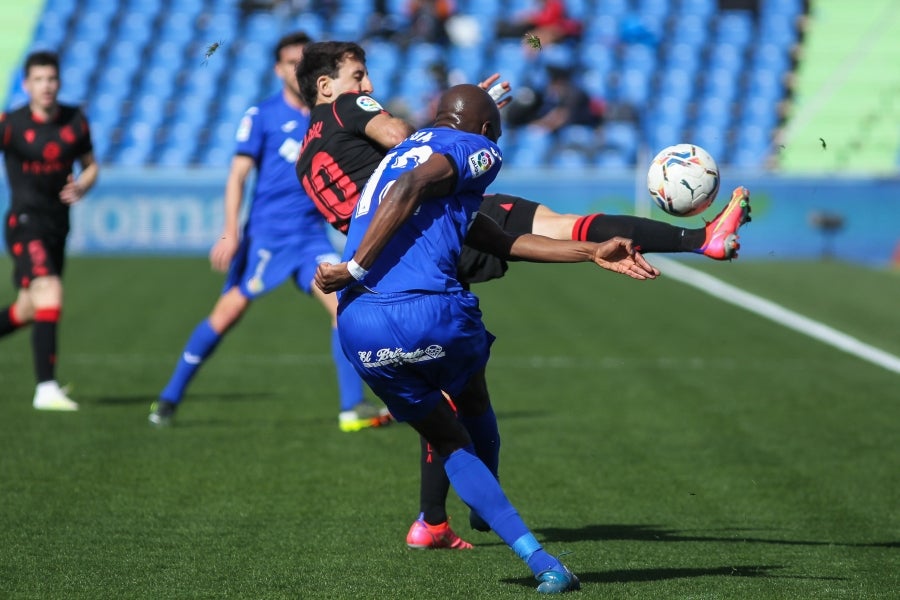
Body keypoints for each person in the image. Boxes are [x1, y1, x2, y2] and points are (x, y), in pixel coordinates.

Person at [295, 40, 752, 550]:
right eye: (358, 76)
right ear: (326, 85)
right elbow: (404, 140)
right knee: (562, 226)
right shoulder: (346, 106)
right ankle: (700, 240)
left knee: (444, 388)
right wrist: (461, 123)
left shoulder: (305, 159)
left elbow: (367, 193)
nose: (368, 88)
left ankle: (431, 520)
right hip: (431, 225)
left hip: (390, 262)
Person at [315, 83, 659, 592]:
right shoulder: (472, 147)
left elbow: (500, 240)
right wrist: (356, 265)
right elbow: (415, 185)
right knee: (472, 393)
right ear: (483, 129)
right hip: (429, 311)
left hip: (361, 329)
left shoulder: (394, 163)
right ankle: (496, 510)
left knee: (449, 440)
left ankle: (536, 556)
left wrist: (589, 251)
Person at [149, 32, 390, 432]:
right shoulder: (262, 115)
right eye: (291, 63)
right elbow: (238, 175)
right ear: (279, 70)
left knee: (343, 307)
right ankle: (170, 397)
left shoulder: (331, 115)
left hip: (310, 237)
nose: (298, 71)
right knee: (227, 313)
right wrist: (230, 231)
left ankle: (352, 407)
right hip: (267, 236)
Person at [0, 51, 98, 411]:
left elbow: (91, 166)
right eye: (39, 80)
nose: (46, 86)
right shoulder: (10, 124)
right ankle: (45, 388)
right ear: (26, 85)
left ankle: (46, 385)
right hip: (25, 223)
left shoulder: (75, 121)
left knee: (28, 309)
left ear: (59, 83)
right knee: (50, 290)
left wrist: (84, 186)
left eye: (51, 79)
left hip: (58, 226)